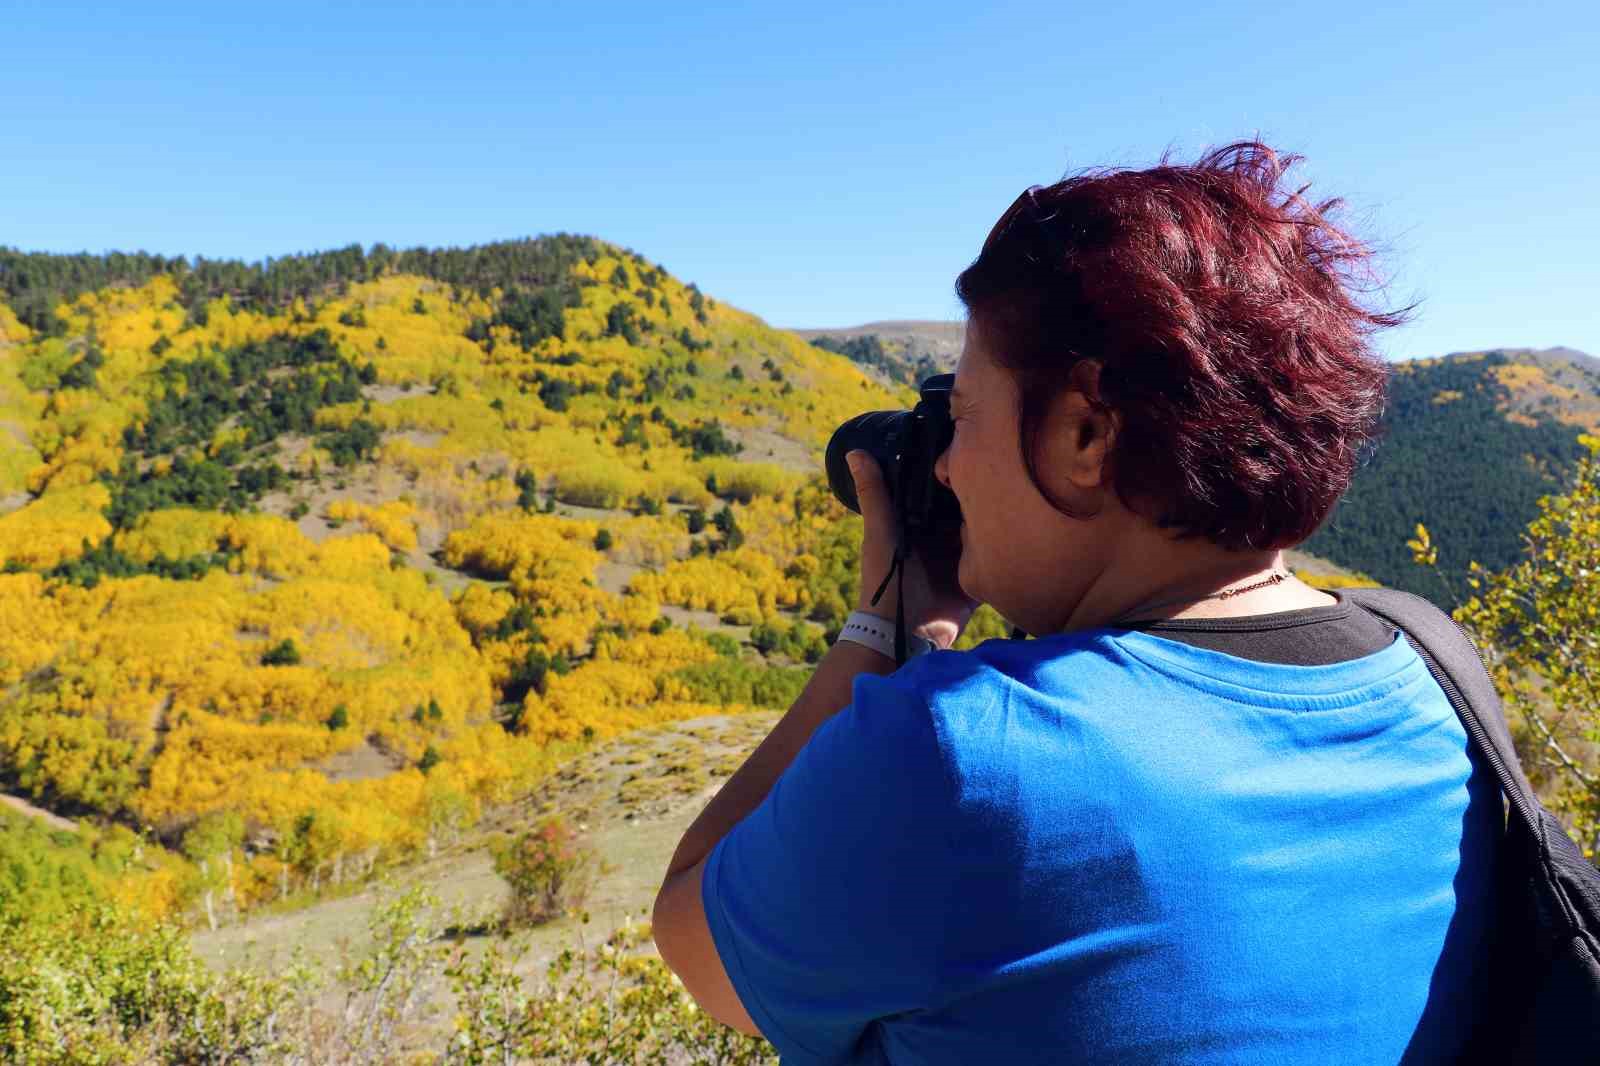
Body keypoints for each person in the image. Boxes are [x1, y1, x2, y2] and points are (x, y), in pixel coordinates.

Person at [653, 141, 1498, 1064]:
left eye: (963, 416)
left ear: (1085, 433)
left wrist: (886, 631)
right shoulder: (1427, 672)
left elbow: (695, 943)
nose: (943, 465)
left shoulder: (971, 754)